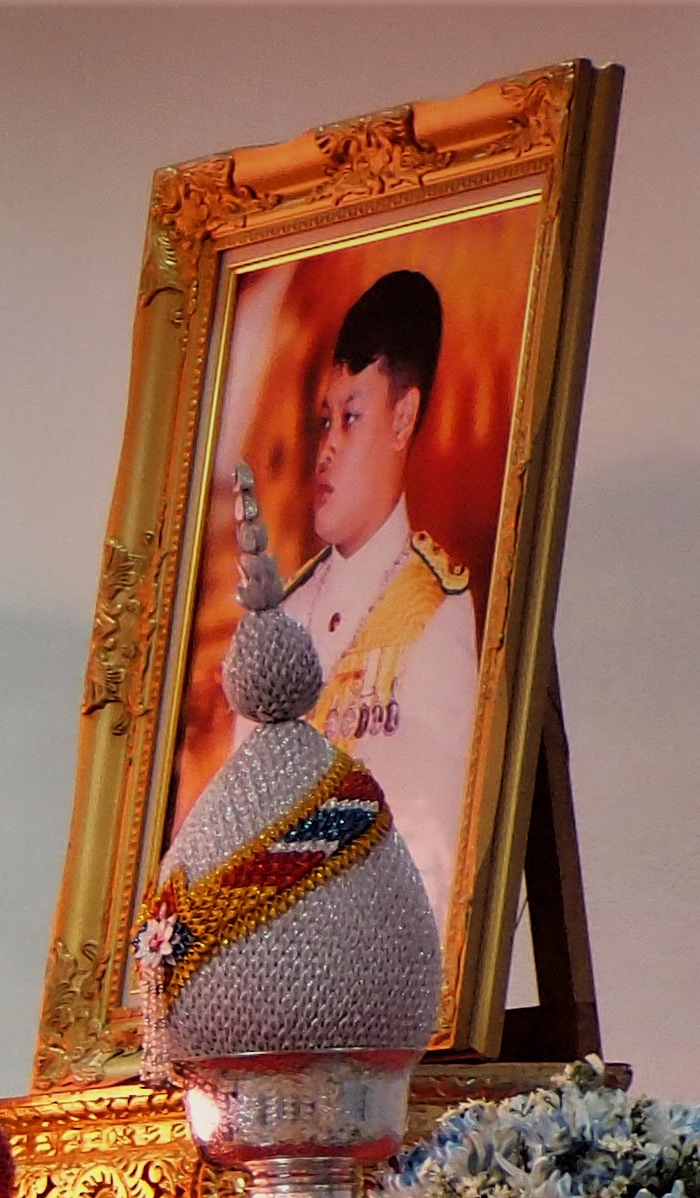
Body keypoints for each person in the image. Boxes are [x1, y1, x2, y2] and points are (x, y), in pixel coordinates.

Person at [278, 267, 481, 939]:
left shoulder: (434, 611)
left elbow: (437, 851)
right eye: (325, 421)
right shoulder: (286, 611)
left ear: (403, 417)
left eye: (352, 418)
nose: (326, 448)